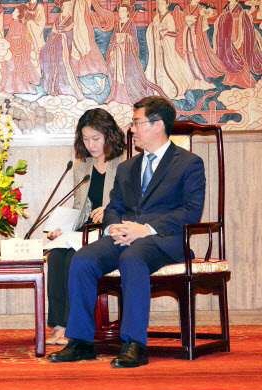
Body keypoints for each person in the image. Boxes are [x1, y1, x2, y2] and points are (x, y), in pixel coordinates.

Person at [48, 96, 206, 368]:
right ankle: (82, 342)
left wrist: (144, 229)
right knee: (83, 259)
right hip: (124, 237)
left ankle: (134, 343)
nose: (131, 129)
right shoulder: (127, 167)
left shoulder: (188, 162)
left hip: (164, 240)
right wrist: (113, 227)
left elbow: (190, 211)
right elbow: (114, 206)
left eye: (136, 122)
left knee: (132, 258)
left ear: (157, 125)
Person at [46, 108, 125, 345]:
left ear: (109, 135)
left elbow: (133, 204)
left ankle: (74, 328)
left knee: (74, 258)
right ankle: (59, 324)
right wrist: (61, 229)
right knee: (57, 255)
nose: (90, 144)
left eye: (96, 138)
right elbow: (79, 206)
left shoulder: (125, 164)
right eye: (85, 138)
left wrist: (109, 210)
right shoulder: (82, 166)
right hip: (84, 231)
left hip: (111, 232)